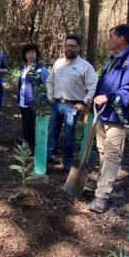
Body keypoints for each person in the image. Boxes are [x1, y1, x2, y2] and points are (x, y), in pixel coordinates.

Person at [88, 24, 129, 213]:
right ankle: (101, 184)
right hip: (102, 112)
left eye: (111, 35)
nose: (109, 38)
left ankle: (101, 197)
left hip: (118, 115)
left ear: (121, 38)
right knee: (102, 151)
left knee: (112, 155)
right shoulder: (114, 58)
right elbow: (104, 82)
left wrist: (109, 97)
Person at [45, 35, 98, 171]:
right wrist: (50, 95)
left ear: (78, 48)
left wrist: (85, 102)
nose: (69, 48)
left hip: (73, 106)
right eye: (67, 45)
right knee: (53, 131)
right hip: (56, 103)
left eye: (72, 46)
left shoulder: (85, 67)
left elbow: (93, 86)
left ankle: (67, 162)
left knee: (69, 135)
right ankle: (50, 156)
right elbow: (49, 81)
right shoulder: (58, 63)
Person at [17, 43, 49, 154]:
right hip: (22, 101)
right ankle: (26, 144)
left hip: (34, 102)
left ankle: (32, 146)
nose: (32, 55)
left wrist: (44, 99)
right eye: (29, 52)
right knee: (24, 124)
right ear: (25, 55)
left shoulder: (41, 69)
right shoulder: (23, 66)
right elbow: (22, 83)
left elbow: (48, 84)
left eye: (33, 52)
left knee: (28, 125)